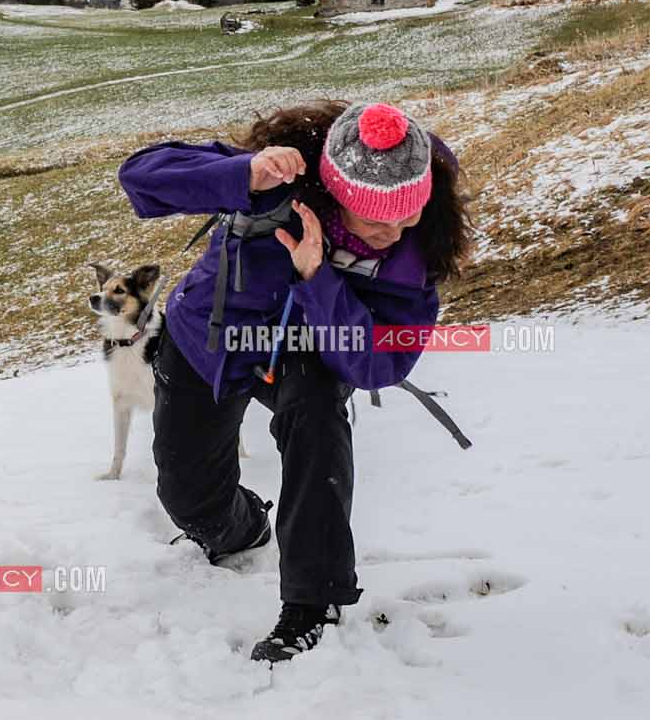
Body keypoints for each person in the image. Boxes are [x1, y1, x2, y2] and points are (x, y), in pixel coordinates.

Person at [117, 99, 469, 662]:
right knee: (189, 498)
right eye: (377, 219)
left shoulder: (416, 250)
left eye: (409, 214)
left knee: (317, 421)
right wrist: (241, 173)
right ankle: (241, 527)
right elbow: (140, 179)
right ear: (338, 195)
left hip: (310, 351)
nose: (395, 231)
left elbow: (379, 364)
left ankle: (313, 603)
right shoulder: (278, 180)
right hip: (209, 338)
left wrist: (316, 277)